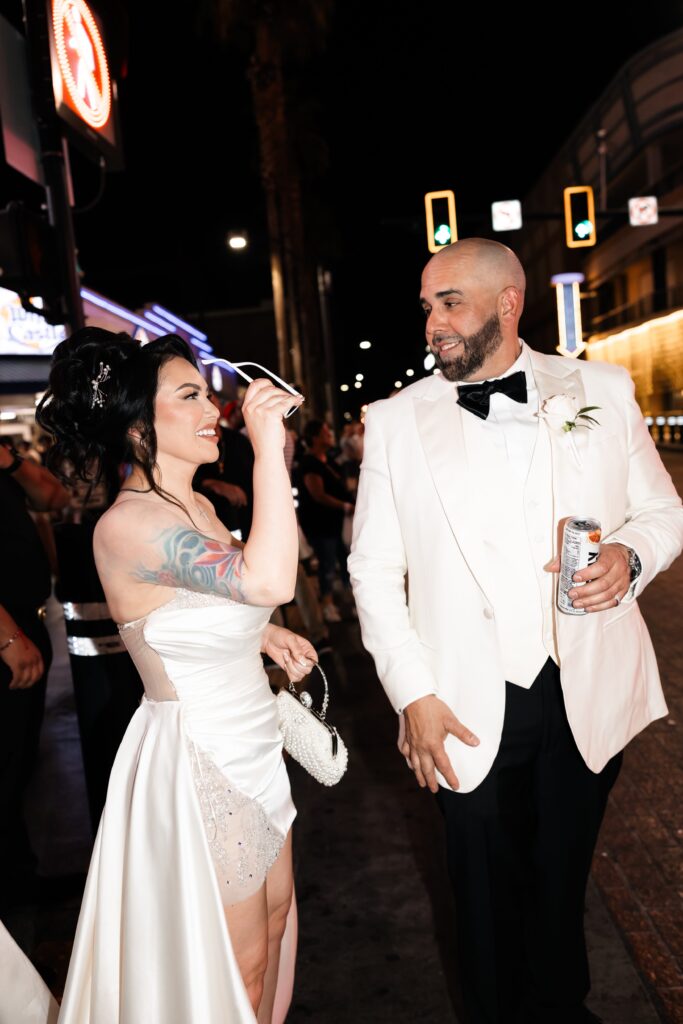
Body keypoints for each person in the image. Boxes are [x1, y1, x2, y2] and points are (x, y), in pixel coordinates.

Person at [348, 238, 683, 1024]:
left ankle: (562, 1008)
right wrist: (412, 694)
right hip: (461, 700)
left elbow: (662, 511)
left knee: (561, 874)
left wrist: (630, 555)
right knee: (481, 886)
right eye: (426, 306)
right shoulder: (397, 421)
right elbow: (371, 571)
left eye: (449, 303)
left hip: (584, 683)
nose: (431, 322)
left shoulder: (597, 387)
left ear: (507, 303)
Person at [24, 326, 316, 1023]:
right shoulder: (127, 524)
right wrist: (268, 450)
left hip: (255, 750)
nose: (213, 404)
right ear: (135, 428)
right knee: (236, 968)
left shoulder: (200, 506)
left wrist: (261, 633)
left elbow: (211, 602)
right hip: (201, 764)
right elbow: (270, 573)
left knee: (276, 931)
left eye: (207, 390)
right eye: (189, 394)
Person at [0, 439, 70, 912]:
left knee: (19, 765)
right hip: (7, 638)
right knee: (6, 768)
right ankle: (14, 906)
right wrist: (6, 638)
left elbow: (53, 496)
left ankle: (20, 885)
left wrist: (9, 460)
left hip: (27, 622)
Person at [297, 420, 354, 623]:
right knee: (327, 563)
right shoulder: (309, 463)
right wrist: (345, 506)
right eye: (325, 432)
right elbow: (318, 494)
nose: (329, 434)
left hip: (337, 522)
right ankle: (328, 605)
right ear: (315, 438)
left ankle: (350, 600)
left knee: (345, 560)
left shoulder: (329, 460)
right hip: (321, 523)